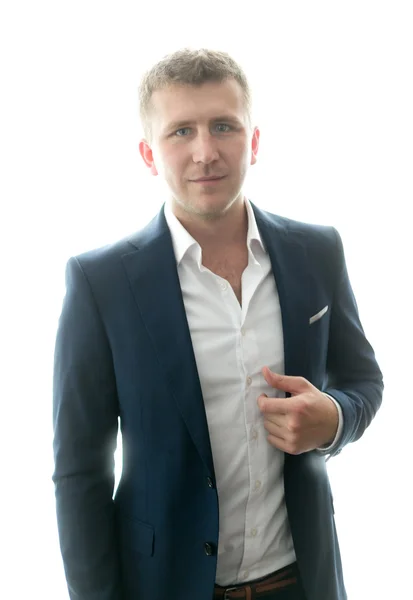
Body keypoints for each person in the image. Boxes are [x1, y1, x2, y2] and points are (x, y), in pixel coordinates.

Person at [52, 48, 384, 600]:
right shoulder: (100, 283)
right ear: (148, 154)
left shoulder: (318, 251)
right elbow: (78, 475)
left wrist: (334, 419)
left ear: (253, 140)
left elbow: (364, 382)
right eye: (181, 131)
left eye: (223, 126)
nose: (205, 151)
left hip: (304, 583)